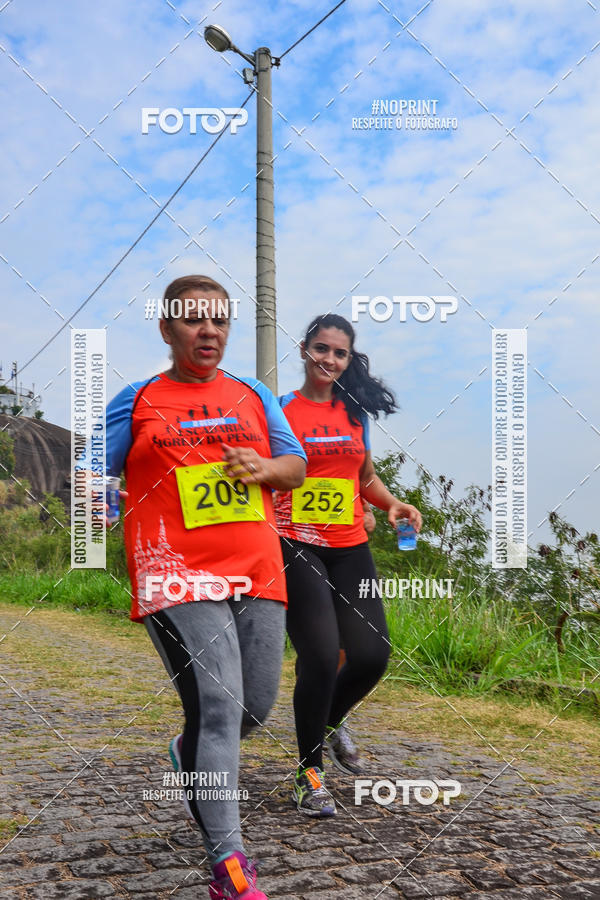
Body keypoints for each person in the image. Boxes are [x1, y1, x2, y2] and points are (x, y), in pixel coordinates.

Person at [106, 275, 306, 899]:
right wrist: (97, 499)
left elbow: (294, 466)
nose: (209, 330)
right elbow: (93, 471)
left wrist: (266, 468)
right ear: (167, 329)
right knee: (218, 708)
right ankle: (231, 870)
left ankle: (189, 750)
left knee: (256, 708)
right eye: (194, 320)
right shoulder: (136, 400)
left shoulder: (253, 393)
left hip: (255, 563)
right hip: (174, 569)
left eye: (219, 320)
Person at [273, 313, 422, 817]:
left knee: (371, 656)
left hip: (350, 542)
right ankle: (308, 775)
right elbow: (267, 471)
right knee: (318, 655)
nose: (329, 359)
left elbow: (364, 477)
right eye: (321, 348)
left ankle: (330, 721)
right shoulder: (280, 410)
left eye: (339, 352)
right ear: (303, 349)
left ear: (347, 359)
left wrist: (392, 505)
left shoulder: (353, 413)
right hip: (295, 542)